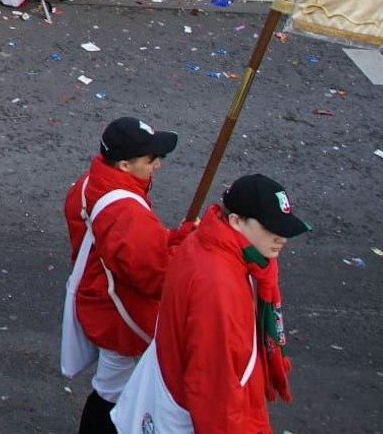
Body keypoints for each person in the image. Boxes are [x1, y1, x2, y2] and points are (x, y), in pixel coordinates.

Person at [112, 174, 309, 434]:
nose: (282, 238)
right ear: (236, 221)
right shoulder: (218, 286)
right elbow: (214, 388)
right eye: (271, 228)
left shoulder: (207, 241)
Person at [62, 118, 187, 433]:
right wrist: (185, 243)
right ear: (125, 165)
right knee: (112, 391)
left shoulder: (90, 183)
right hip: (118, 312)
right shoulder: (126, 213)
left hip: (101, 298)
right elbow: (156, 275)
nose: (158, 165)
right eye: (151, 159)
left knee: (111, 385)